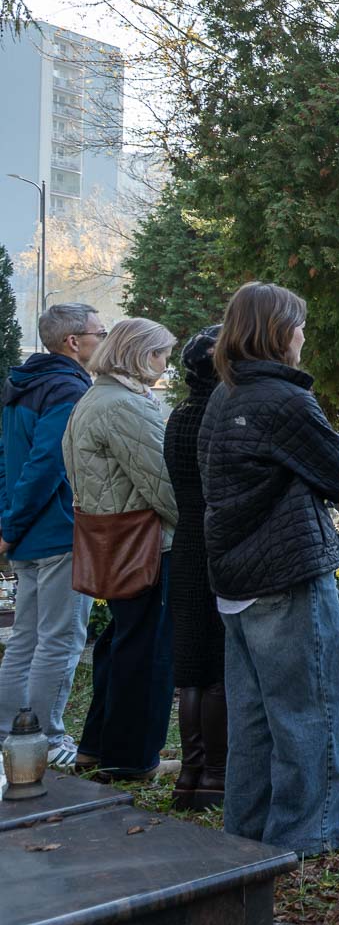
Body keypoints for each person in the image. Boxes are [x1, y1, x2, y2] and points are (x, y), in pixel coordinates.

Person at [200, 283, 339, 855]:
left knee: (255, 720)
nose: (304, 335)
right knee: (315, 711)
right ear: (278, 331)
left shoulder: (225, 394)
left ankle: (248, 835)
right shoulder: (283, 399)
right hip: (284, 573)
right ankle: (311, 833)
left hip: (237, 576)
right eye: (299, 324)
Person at [64, 318, 179, 779]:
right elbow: (164, 484)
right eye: (160, 354)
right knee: (146, 651)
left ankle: (97, 747)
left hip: (113, 538)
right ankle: (132, 759)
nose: (165, 364)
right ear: (139, 353)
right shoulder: (124, 406)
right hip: (146, 544)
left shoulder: (97, 398)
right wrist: (200, 528)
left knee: (120, 643)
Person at [0, 303, 102, 769]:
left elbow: (8, 462)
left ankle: (10, 734)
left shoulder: (21, 384)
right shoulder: (68, 388)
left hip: (26, 534)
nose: (104, 340)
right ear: (73, 342)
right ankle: (45, 740)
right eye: (100, 332)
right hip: (59, 531)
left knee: (26, 638)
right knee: (59, 639)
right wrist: (13, 523)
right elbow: (48, 464)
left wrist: (9, 524)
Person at [163, 325, 228, 809]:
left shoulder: (180, 415)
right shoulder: (218, 415)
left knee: (192, 667)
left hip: (186, 539)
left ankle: (191, 772)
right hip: (214, 540)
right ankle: (217, 776)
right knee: (217, 663)